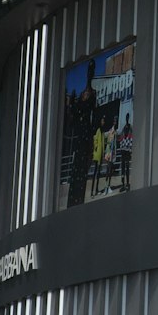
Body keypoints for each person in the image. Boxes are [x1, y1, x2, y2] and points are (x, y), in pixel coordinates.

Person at [65, 62, 96, 207]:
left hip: (84, 140)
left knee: (80, 171)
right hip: (80, 141)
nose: (85, 94)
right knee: (77, 172)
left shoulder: (88, 103)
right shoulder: (79, 109)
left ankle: (77, 199)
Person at [116, 115, 132, 190]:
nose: (127, 119)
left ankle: (127, 183)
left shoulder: (130, 128)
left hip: (127, 150)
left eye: (128, 117)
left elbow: (131, 138)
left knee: (127, 167)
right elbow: (121, 138)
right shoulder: (123, 128)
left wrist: (130, 148)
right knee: (123, 167)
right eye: (126, 117)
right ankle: (123, 184)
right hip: (123, 150)